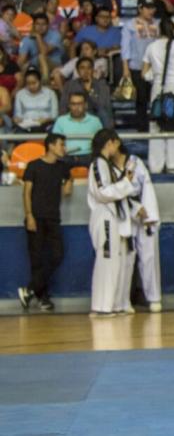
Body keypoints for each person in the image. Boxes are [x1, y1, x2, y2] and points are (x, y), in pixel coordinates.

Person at [18, 132, 72, 312]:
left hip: (53, 217)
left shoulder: (62, 167)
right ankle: (43, 298)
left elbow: (68, 182)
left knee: (57, 255)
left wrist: (69, 182)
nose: (64, 148)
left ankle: (30, 289)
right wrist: (29, 215)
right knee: (37, 259)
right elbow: (26, 192)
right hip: (36, 217)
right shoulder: (33, 166)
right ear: (50, 146)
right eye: (61, 145)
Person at [87, 129, 138, 316]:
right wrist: (125, 183)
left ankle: (115, 304)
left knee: (117, 261)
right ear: (109, 143)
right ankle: (102, 306)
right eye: (116, 143)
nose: (118, 147)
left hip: (114, 217)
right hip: (105, 216)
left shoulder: (107, 165)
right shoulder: (98, 164)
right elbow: (102, 192)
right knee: (107, 261)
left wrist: (125, 181)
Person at [114, 144, 161, 312]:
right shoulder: (106, 166)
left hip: (144, 213)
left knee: (148, 257)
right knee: (126, 260)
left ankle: (153, 297)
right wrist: (134, 208)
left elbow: (147, 187)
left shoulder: (134, 162)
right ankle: (123, 301)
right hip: (123, 214)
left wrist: (149, 215)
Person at [142, 16, 174, 173]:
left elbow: (144, 73)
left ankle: (155, 166)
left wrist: (155, 77)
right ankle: (173, 165)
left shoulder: (151, 47)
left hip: (158, 91)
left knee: (156, 126)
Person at [121, 0, 159, 131]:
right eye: (147, 8)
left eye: (152, 8)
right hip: (137, 66)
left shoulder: (157, 23)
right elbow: (125, 47)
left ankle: (155, 125)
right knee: (141, 98)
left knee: (155, 97)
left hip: (154, 67)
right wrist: (126, 68)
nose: (151, 11)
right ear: (140, 8)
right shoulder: (130, 25)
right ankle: (142, 128)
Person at [60, 56, 113, 129]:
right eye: (82, 68)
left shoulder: (102, 85)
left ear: (93, 70)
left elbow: (103, 106)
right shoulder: (70, 85)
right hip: (74, 114)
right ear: (78, 71)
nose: (86, 71)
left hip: (95, 115)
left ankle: (108, 136)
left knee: (103, 113)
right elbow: (63, 106)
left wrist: (90, 91)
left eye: (89, 68)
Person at [52, 91, 102, 167]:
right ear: (69, 105)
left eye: (79, 104)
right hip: (66, 156)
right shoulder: (60, 121)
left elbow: (101, 142)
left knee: (99, 161)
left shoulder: (95, 121)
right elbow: (55, 141)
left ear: (85, 105)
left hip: (88, 156)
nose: (76, 107)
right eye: (73, 104)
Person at [13, 68, 57, 132]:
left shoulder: (50, 93)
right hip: (26, 125)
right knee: (18, 132)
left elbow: (54, 115)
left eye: (34, 83)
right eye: (28, 83)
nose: (31, 86)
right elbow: (18, 114)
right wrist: (17, 119)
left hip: (46, 124)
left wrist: (46, 120)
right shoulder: (20, 94)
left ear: (40, 81)